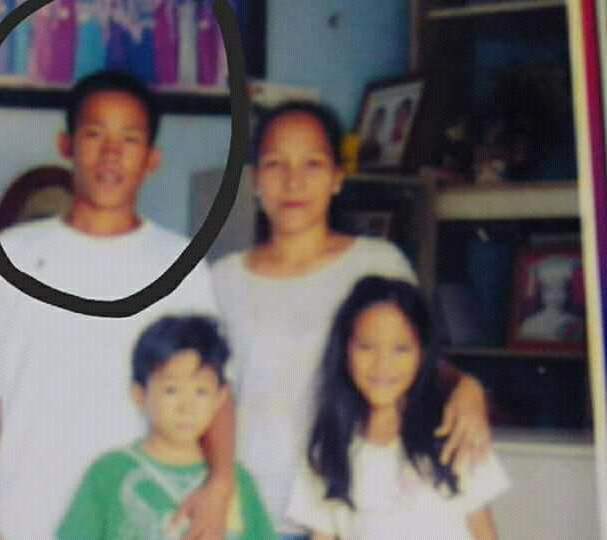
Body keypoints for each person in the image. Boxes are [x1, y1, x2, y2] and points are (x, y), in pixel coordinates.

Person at [0, 70, 235, 539]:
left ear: (152, 159)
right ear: (66, 145)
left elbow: (217, 389)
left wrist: (220, 484)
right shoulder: (8, 256)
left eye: (130, 139)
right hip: (26, 514)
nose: (111, 153)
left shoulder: (181, 265)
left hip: (143, 516)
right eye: (94, 134)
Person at [211, 100, 491, 538]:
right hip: (247, 511)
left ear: (337, 177)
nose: (293, 181)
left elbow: (415, 363)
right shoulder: (223, 279)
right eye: (275, 164)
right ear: (254, 180)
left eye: (312, 164)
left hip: (351, 508)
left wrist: (467, 387)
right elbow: (203, 396)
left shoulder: (376, 263)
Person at [287, 277, 509, 539]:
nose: (383, 364)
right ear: (345, 350)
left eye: (400, 349)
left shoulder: (455, 432)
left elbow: (484, 533)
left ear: (422, 354)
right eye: (366, 347)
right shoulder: (329, 445)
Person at [58, 315, 276, 539]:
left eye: (201, 392)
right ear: (139, 394)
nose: (186, 407)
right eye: (171, 390)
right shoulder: (110, 473)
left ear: (220, 398)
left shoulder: (238, 483)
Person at [518, 256, 584, 342]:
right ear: (541, 293)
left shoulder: (577, 322)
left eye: (561, 290)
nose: (555, 296)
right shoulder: (529, 324)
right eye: (549, 290)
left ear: (567, 293)